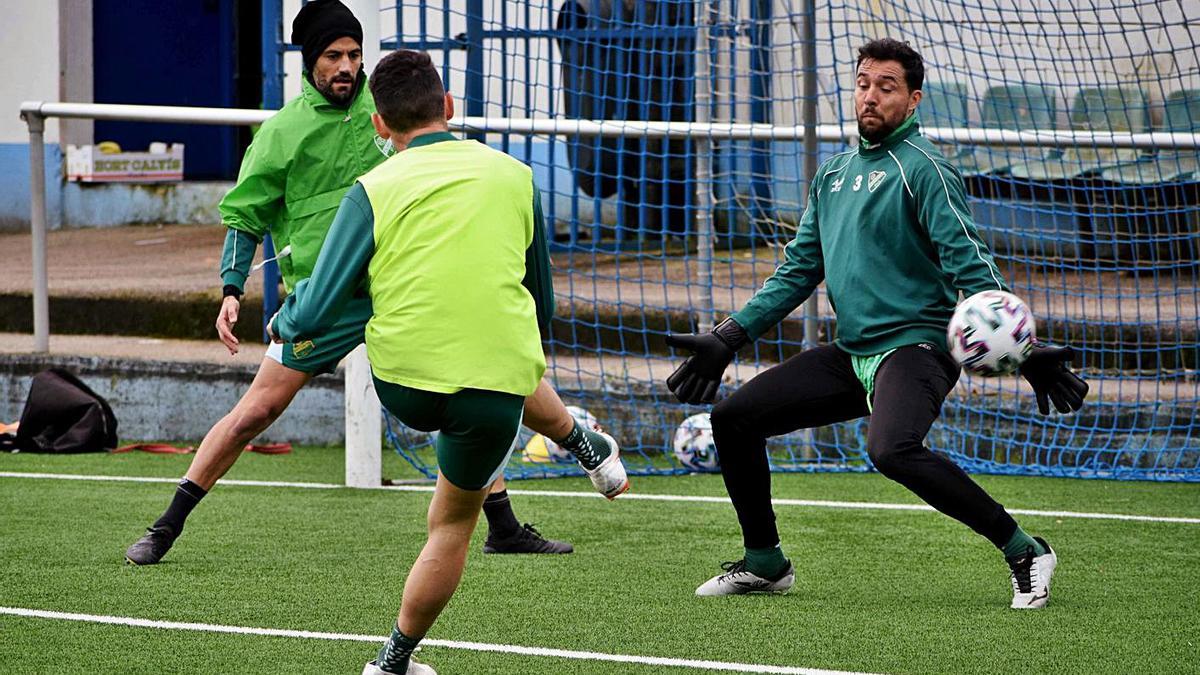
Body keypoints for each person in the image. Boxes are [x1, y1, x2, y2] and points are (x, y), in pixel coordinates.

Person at [124, 0, 627, 567]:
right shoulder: (279, 134)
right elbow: (245, 216)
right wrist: (232, 288)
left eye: (355, 54)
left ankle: (518, 509)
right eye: (334, 55)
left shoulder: (390, 106)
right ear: (309, 60)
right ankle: (168, 524)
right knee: (256, 412)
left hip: (405, 284)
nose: (346, 65)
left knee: (478, 381)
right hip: (326, 298)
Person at [664, 38, 1088, 609]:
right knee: (734, 419)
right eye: (864, 83)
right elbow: (797, 271)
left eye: (886, 87)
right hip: (851, 351)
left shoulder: (926, 170)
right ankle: (765, 563)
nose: (870, 96)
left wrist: (1021, 346)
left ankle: (1024, 549)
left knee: (891, 449)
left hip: (917, 347)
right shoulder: (832, 175)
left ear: (912, 100)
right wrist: (729, 337)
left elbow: (971, 261)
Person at [269, 48, 564, 675]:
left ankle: (588, 445)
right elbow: (541, 304)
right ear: (450, 108)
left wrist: (281, 322)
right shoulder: (516, 175)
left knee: (443, 353)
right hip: (492, 387)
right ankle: (392, 660)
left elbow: (317, 308)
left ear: (380, 126)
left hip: (404, 384)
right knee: (450, 525)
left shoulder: (371, 187)